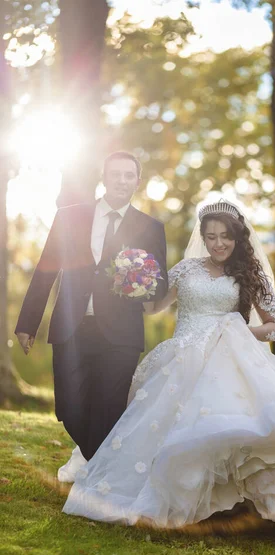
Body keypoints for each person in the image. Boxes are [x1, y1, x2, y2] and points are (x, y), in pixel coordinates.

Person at [63, 199, 275, 547]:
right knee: (171, 429)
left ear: (238, 237)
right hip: (182, 360)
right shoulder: (185, 270)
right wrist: (136, 282)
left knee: (242, 426)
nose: (218, 243)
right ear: (203, 237)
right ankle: (177, 499)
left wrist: (236, 330)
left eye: (225, 236)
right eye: (210, 237)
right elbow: (154, 307)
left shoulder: (249, 275)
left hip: (230, 360)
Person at [15, 151, 168, 470]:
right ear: (104, 176)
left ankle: (102, 477)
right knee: (69, 407)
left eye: (129, 176)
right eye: (115, 174)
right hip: (71, 326)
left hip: (121, 333)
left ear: (137, 182)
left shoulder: (150, 227)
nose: (121, 181)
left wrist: (139, 283)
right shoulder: (69, 216)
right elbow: (46, 269)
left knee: (110, 407)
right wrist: (28, 322)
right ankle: (105, 463)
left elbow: (159, 282)